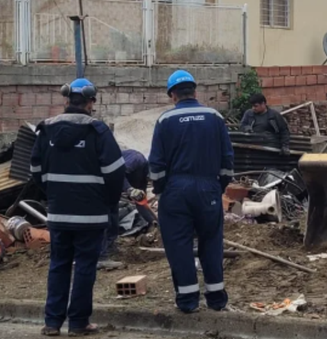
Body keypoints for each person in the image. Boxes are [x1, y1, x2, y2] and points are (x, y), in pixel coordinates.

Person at [31, 78, 125, 336]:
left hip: (59, 213)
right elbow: (115, 173)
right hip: (91, 215)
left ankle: (52, 323)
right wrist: (109, 202)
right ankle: (78, 323)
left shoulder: (47, 130)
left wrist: (53, 194)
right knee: (84, 266)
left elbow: (35, 171)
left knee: (58, 265)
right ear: (91, 102)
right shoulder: (98, 130)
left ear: (67, 100)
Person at [148, 70, 234, 313]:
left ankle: (187, 301)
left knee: (179, 246)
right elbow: (227, 159)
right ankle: (216, 299)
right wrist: (219, 187)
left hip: (176, 191)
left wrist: (162, 190)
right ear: (195, 92)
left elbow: (156, 164)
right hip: (208, 188)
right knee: (212, 242)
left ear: (172, 95)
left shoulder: (165, 121)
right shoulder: (214, 117)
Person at [98, 149, 154, 269]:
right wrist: (129, 189)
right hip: (101, 187)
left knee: (113, 220)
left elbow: (141, 202)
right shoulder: (136, 159)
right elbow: (118, 173)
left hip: (112, 194)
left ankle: (110, 248)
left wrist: (152, 221)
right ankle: (100, 257)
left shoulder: (143, 177)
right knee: (104, 221)